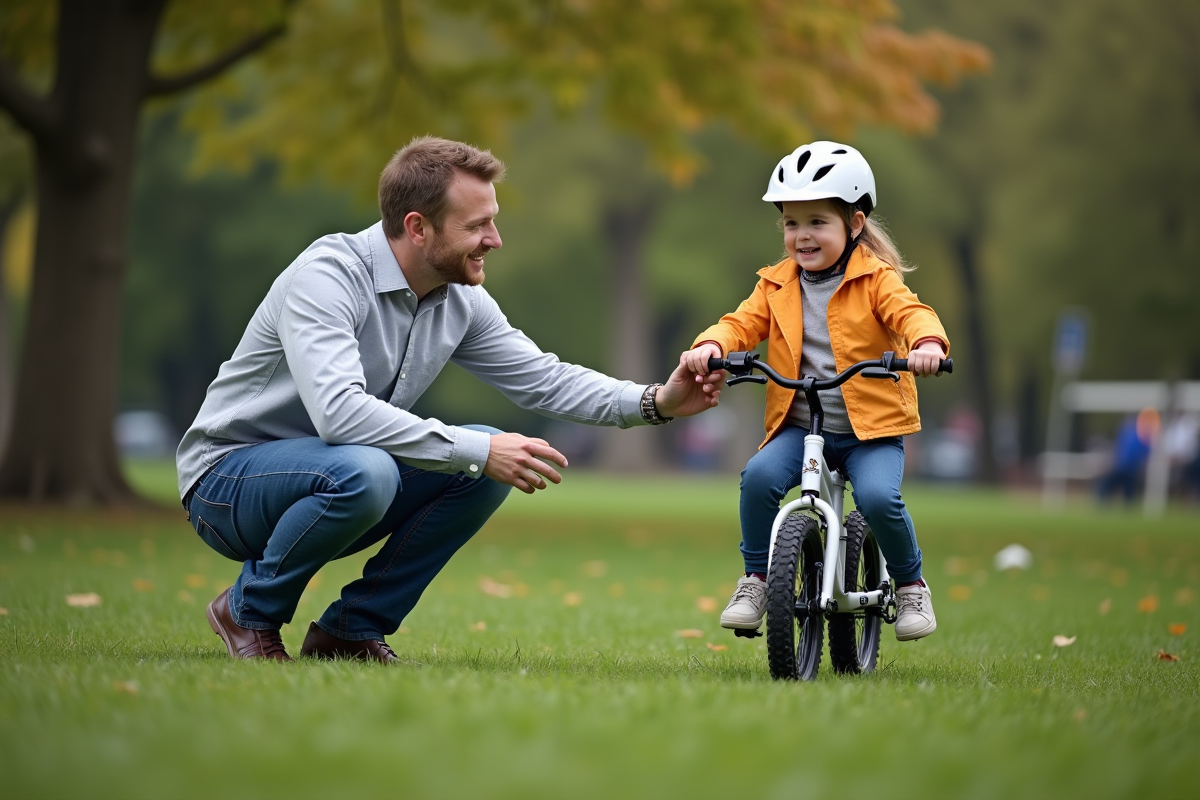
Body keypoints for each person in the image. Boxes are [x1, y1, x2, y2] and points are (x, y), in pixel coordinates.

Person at [177, 136, 724, 663]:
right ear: (418, 227)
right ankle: (248, 611)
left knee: (479, 461)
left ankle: (351, 629)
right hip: (225, 481)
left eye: (493, 221)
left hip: (338, 476)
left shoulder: (459, 298)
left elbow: (545, 378)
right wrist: (476, 450)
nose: (495, 239)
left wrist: (657, 401)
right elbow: (339, 413)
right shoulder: (328, 277)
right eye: (477, 225)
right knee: (398, 465)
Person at [679, 141, 950, 641]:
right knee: (758, 478)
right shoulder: (775, 285)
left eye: (817, 222)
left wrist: (927, 344)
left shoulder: (876, 280)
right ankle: (757, 580)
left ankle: (912, 585)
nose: (802, 235)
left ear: (854, 224)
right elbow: (740, 323)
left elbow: (912, 313)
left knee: (877, 497)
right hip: (801, 425)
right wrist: (710, 346)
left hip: (871, 431)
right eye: (791, 223)